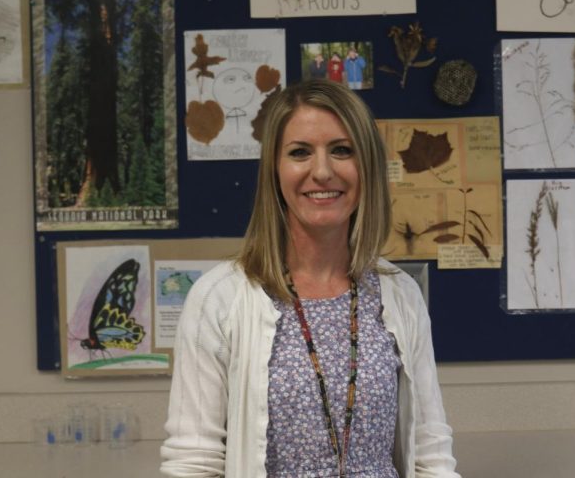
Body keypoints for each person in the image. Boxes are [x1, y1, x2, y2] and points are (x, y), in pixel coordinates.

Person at [161, 80, 460, 477]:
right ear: (275, 170)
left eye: (341, 150)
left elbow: (430, 452)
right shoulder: (219, 299)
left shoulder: (399, 294)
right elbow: (192, 461)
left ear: (366, 165)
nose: (322, 172)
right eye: (300, 152)